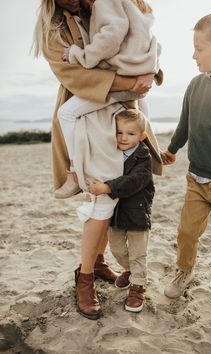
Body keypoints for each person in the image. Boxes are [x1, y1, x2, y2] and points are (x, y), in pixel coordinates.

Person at [33, 0, 163, 320]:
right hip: (92, 121)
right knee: (100, 203)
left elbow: (142, 34)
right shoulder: (53, 30)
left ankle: (100, 261)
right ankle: (85, 278)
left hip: (123, 118)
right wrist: (132, 81)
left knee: (117, 198)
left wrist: (148, 69)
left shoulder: (106, 7)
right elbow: (74, 76)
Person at [163, 10, 211, 321]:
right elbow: (185, 123)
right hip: (196, 178)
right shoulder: (194, 85)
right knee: (187, 232)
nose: (193, 55)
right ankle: (184, 272)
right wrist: (172, 149)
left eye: (199, 48)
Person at [57, 0, 162, 198]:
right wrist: (150, 68)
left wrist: (79, 54)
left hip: (121, 81)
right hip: (138, 79)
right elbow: (154, 41)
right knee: (139, 115)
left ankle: (74, 172)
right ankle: (148, 151)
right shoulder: (130, 5)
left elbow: (112, 34)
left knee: (66, 113)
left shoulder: (104, 2)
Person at [89, 108, 154, 313]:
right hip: (115, 213)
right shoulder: (111, 154)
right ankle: (129, 270)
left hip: (137, 212)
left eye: (131, 133)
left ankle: (137, 287)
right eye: (119, 132)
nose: (124, 137)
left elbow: (135, 181)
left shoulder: (143, 157)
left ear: (141, 136)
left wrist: (108, 187)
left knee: (138, 253)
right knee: (117, 250)